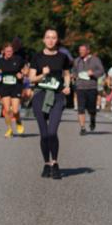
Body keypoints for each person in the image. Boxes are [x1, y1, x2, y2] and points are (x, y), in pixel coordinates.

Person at [29, 28, 72, 179]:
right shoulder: (37, 57)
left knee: (52, 132)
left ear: (57, 40)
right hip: (40, 95)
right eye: (48, 37)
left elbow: (67, 74)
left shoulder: (63, 57)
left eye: (53, 37)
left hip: (57, 96)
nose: (51, 40)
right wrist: (43, 74)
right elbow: (31, 79)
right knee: (44, 134)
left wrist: (67, 86)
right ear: (43, 39)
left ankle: (55, 163)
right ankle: (46, 164)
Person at [0, 43, 26, 138]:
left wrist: (22, 75)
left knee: (15, 110)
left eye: (10, 51)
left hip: (16, 86)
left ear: (13, 51)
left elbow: (26, 70)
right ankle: (9, 129)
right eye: (7, 51)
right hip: (4, 87)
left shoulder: (18, 59)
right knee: (6, 110)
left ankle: (18, 121)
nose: (9, 53)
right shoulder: (0, 61)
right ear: (3, 52)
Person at [72, 43, 104, 135]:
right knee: (80, 108)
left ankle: (92, 118)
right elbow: (74, 71)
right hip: (80, 87)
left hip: (91, 87)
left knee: (91, 109)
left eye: (82, 50)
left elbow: (101, 71)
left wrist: (93, 73)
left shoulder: (95, 60)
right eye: (79, 50)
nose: (80, 51)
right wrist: (73, 75)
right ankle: (82, 128)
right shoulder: (77, 60)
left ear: (88, 51)